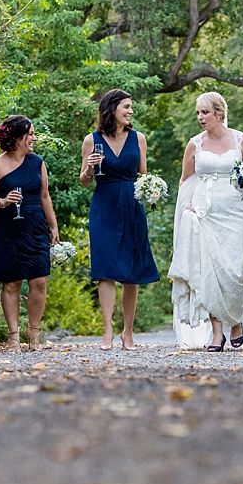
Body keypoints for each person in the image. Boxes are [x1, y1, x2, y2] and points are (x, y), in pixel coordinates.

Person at [169, 92, 243, 351]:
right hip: (204, 212)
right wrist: (187, 208)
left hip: (235, 212)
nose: (200, 117)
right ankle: (217, 332)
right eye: (197, 113)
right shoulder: (194, 144)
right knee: (209, 271)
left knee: (233, 270)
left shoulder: (241, 139)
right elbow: (186, 180)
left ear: (219, 112)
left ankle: (236, 321)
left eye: (204, 112)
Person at [80, 89, 159, 351]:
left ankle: (128, 332)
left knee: (131, 272)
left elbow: (144, 177)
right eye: (126, 106)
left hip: (132, 205)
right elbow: (84, 181)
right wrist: (89, 167)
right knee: (106, 269)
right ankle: (107, 332)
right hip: (104, 205)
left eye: (130, 107)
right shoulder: (91, 140)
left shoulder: (139, 139)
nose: (130, 111)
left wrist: (153, 191)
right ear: (111, 108)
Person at [0, 115, 60, 352]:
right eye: (30, 134)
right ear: (16, 137)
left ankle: (34, 336)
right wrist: (3, 201)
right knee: (11, 283)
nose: (34, 138)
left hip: (35, 226)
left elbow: (45, 196)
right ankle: (13, 336)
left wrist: (53, 226)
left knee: (40, 281)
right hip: (8, 229)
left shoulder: (37, 162)